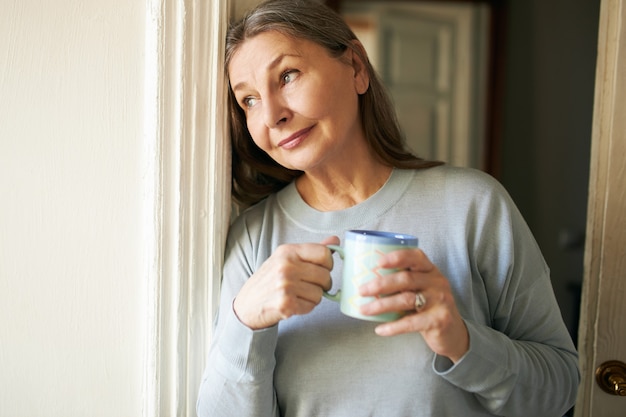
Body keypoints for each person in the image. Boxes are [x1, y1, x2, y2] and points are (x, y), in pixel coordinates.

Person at [197, 0, 580, 416]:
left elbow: (560, 389)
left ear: (357, 68)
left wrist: (461, 341)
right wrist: (246, 321)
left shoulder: (473, 206)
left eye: (287, 75)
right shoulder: (254, 237)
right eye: (249, 100)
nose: (272, 115)